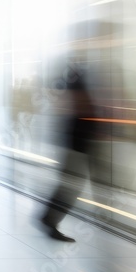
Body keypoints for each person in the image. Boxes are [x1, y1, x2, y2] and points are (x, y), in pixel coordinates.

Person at [37, 67, 96, 242]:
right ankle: (49, 219)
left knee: (69, 187)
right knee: (69, 187)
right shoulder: (76, 93)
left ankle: (48, 218)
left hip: (76, 147)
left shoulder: (74, 94)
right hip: (75, 147)